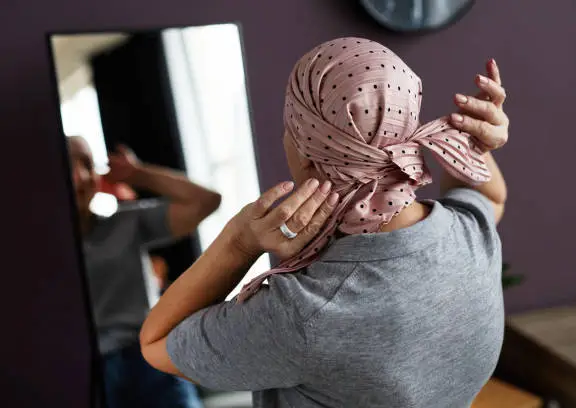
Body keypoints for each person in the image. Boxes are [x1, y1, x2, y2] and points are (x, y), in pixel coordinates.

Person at [140, 37, 509, 408]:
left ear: (305, 152)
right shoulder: (471, 236)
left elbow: (157, 343)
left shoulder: (304, 314)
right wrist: (476, 146)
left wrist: (240, 241)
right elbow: (491, 197)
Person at [67, 137, 220, 408]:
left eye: (87, 165)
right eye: (69, 165)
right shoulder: (32, 252)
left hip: (149, 359)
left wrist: (137, 173)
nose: (80, 177)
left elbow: (206, 201)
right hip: (85, 370)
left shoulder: (126, 223)